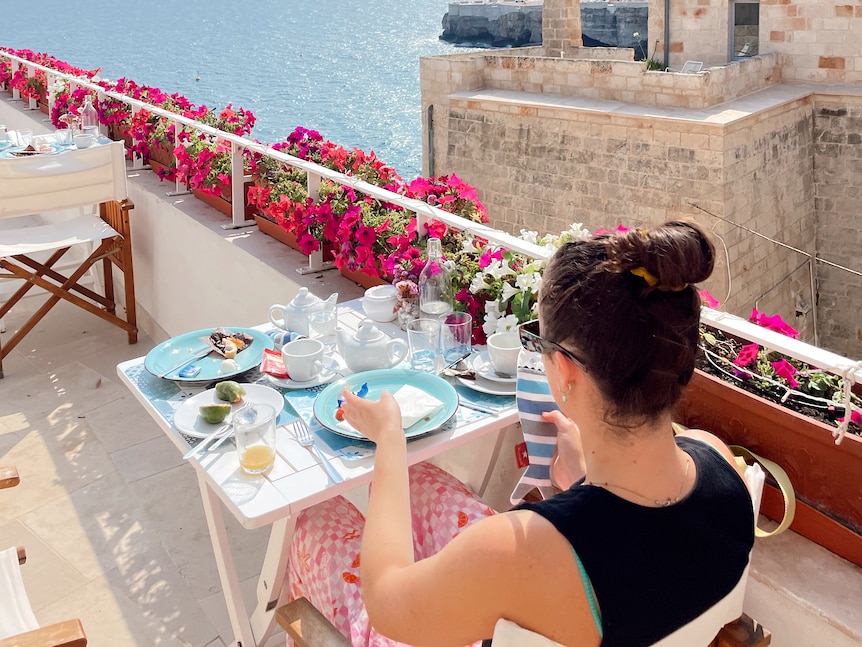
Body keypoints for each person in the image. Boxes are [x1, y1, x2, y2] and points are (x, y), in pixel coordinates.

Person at [287, 221, 755, 647]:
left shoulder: (516, 554)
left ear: (566, 371)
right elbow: (642, 548)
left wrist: (389, 439)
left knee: (316, 520)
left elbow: (386, 605)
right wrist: (583, 483)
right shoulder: (722, 468)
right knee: (419, 482)